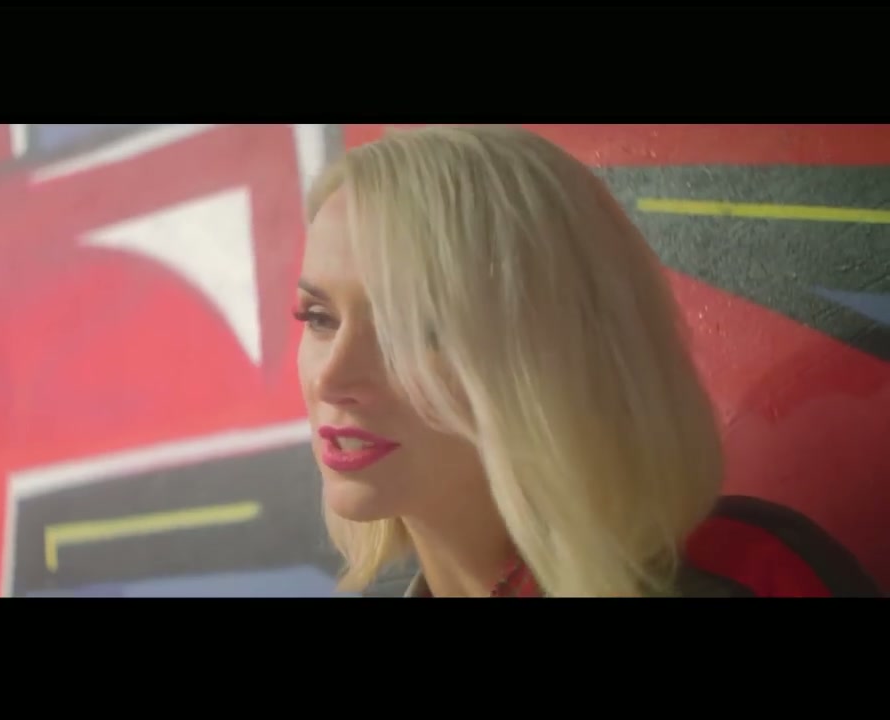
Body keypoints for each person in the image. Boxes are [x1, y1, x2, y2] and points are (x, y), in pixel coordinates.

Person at [294, 124, 880, 598]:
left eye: (410, 328)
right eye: (319, 317)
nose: (331, 377)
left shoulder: (744, 577)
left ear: (555, 351)